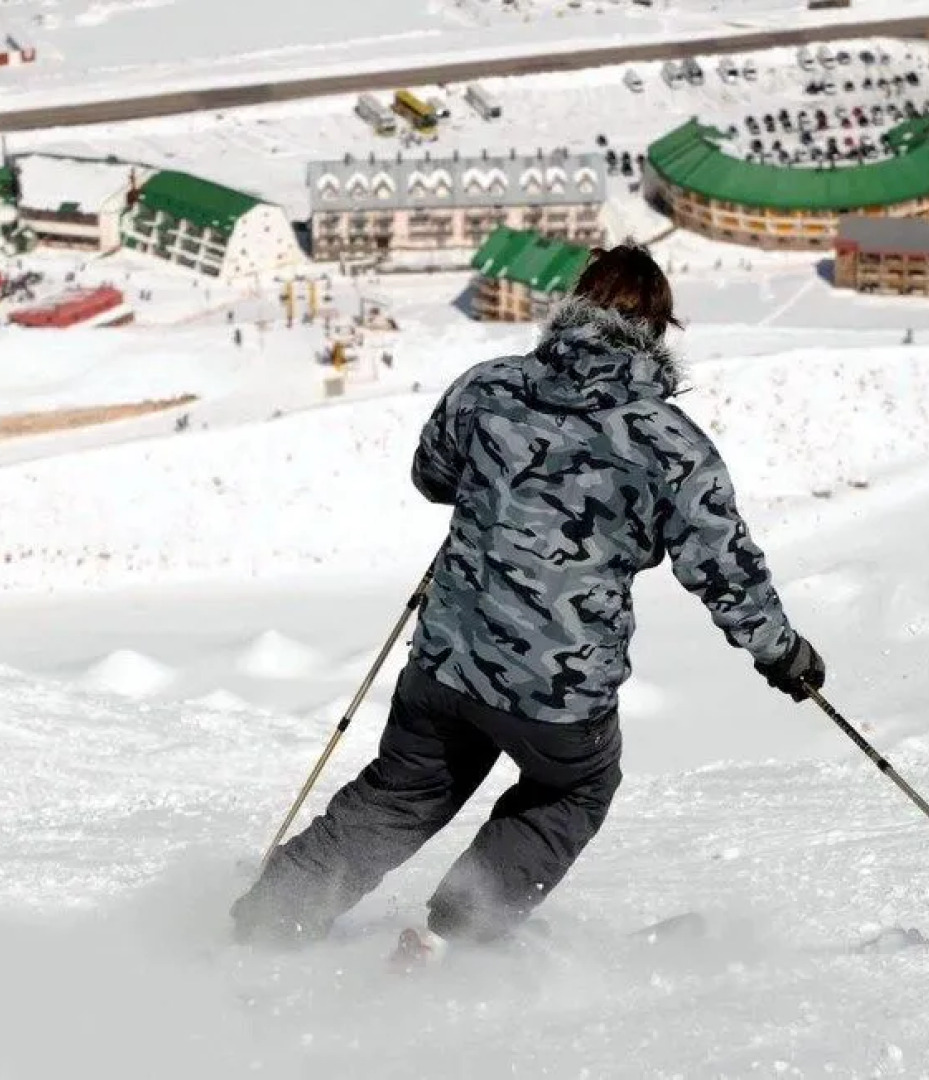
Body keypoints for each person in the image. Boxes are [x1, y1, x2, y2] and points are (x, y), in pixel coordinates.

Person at [230, 245, 824, 964]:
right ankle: (454, 935)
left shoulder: (489, 386)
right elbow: (723, 568)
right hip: (557, 691)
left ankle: (271, 918)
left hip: (446, 658)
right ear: (658, 331)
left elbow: (431, 475)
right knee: (575, 789)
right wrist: (782, 654)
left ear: (574, 307)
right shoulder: (670, 443)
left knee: (403, 793)